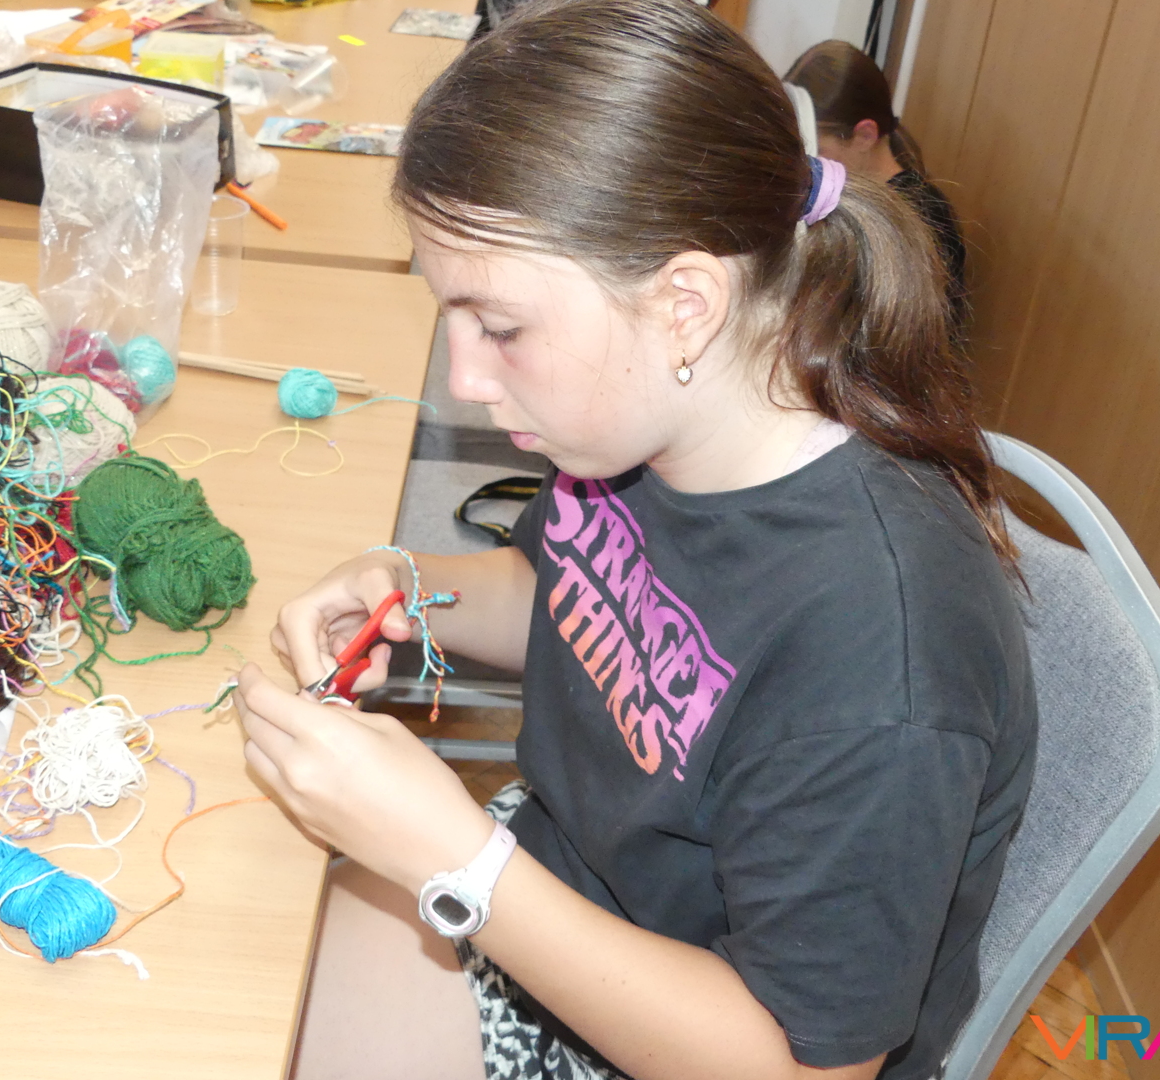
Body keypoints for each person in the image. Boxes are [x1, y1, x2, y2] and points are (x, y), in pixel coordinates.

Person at [234, 2, 1037, 1079]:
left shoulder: (881, 653)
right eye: (453, 320)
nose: (465, 380)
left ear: (685, 303)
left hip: (685, 1028)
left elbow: (802, 1065)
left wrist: (456, 860)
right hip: (556, 883)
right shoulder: (640, 421)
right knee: (235, 967)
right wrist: (408, 587)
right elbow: (566, 595)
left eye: (500, 328)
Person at [784, 40, 969, 333]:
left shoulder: (919, 219)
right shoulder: (846, 196)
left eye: (815, 148)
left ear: (865, 136)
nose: (806, 163)